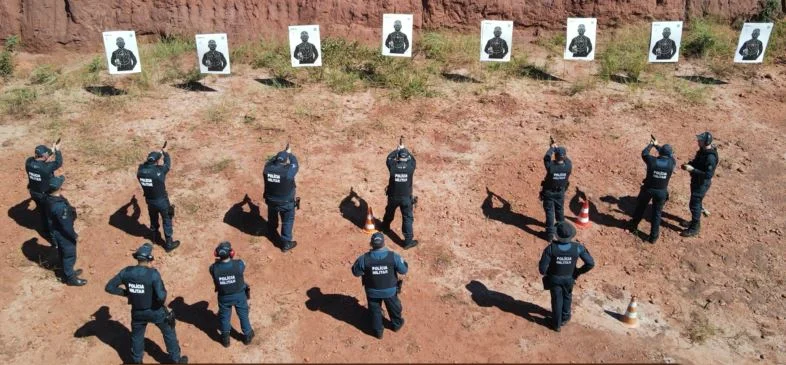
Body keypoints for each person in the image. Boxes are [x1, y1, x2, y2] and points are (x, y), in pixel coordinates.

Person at [105, 243, 188, 364]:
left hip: (137, 312)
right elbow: (161, 296)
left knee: (137, 336)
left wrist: (127, 293)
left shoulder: (126, 272)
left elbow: (109, 287)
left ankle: (137, 361)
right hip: (155, 311)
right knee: (168, 331)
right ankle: (176, 359)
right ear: (149, 258)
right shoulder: (153, 274)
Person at [538, 221, 595, 332]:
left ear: (557, 235)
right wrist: (578, 272)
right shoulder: (578, 248)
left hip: (554, 279)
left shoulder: (550, 249)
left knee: (557, 300)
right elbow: (590, 263)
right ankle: (565, 317)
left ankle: (556, 324)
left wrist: (549, 274)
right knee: (567, 296)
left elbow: (542, 269)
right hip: (569, 279)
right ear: (571, 235)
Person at [351, 232, 408, 339]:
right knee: (394, 307)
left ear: (371, 244)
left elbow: (355, 272)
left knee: (375, 311)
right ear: (383, 243)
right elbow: (403, 270)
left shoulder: (364, 259)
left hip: (372, 291)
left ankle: (378, 331)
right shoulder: (393, 257)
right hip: (390, 291)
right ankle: (396, 325)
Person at [628, 138, 676, 243]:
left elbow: (644, 153)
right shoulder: (671, 163)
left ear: (661, 153)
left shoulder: (652, 161)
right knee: (657, 214)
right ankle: (653, 237)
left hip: (648, 189)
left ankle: (633, 225)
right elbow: (669, 156)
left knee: (640, 208)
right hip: (661, 192)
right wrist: (658, 146)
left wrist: (651, 145)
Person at [209, 241, 254, 347]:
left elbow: (214, 270)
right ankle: (247, 335)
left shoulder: (213, 268)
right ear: (231, 253)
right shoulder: (239, 264)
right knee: (243, 315)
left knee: (224, 317)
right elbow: (244, 263)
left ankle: (225, 339)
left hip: (223, 297)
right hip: (239, 296)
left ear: (216, 253)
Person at [137, 145, 180, 252]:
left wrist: (155, 157)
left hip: (150, 201)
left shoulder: (140, 172)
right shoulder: (159, 172)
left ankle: (154, 238)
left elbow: (144, 166)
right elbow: (167, 164)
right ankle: (169, 244)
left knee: (153, 218)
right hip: (161, 201)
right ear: (156, 162)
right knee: (167, 219)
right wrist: (165, 153)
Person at [46, 176, 87, 286]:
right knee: (69, 255)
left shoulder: (49, 198)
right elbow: (66, 226)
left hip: (56, 231)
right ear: (59, 188)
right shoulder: (60, 207)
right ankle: (70, 278)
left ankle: (67, 271)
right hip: (63, 235)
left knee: (63, 253)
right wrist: (74, 235)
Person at [381, 141, 418, 249]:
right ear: (407, 158)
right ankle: (407, 242)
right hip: (406, 198)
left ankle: (385, 228)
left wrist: (397, 150)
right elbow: (413, 159)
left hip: (393, 196)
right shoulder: (411, 167)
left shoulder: (393, 167)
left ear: (398, 158)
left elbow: (388, 158)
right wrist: (405, 150)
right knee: (407, 218)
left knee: (389, 212)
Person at [681, 132, 719, 237]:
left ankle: (694, 228)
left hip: (702, 184)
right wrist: (690, 164)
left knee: (694, 205)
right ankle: (693, 222)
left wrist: (692, 170)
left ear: (706, 142)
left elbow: (708, 175)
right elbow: (698, 162)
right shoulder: (703, 151)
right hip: (697, 181)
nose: (698, 141)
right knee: (696, 203)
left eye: (700, 140)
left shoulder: (710, 157)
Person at [263, 144, 299, 252]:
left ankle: (271, 232)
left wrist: (280, 155)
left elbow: (269, 161)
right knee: (287, 221)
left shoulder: (267, 169)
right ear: (284, 162)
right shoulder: (288, 172)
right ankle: (286, 243)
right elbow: (295, 163)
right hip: (286, 203)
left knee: (272, 217)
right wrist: (289, 154)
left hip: (271, 201)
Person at [25, 141, 62, 243]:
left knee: (42, 212)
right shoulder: (46, 168)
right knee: (50, 216)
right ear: (44, 155)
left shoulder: (28, 163)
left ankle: (45, 230)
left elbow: (37, 160)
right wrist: (57, 151)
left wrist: (51, 151)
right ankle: (54, 239)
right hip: (45, 195)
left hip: (34, 193)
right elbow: (58, 162)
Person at [540, 141, 572, 242]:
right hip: (560, 192)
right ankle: (561, 231)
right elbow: (566, 159)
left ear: (555, 156)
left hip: (549, 193)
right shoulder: (568, 166)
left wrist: (552, 148)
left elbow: (546, 157)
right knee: (560, 211)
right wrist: (558, 151)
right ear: (564, 156)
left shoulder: (551, 167)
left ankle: (550, 235)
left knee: (550, 213)